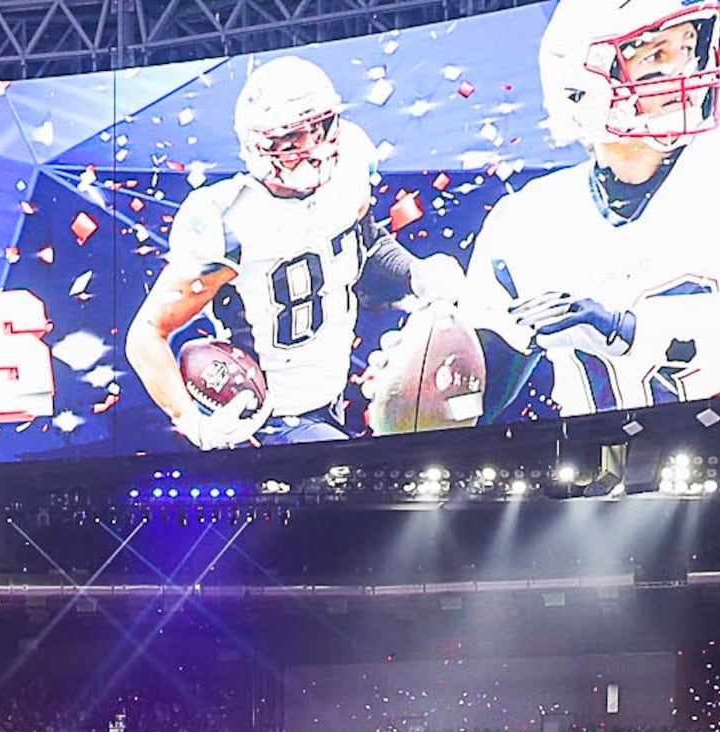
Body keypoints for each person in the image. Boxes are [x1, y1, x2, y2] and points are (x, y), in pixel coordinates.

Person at [460, 0, 720, 414]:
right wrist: (415, 374)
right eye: (656, 56)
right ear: (581, 88)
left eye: (688, 49)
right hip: (608, 472)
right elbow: (470, 400)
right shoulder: (528, 222)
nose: (685, 72)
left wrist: (627, 329)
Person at [127, 55, 472, 448]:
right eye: (291, 139)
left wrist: (416, 272)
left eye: (320, 128)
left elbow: (365, 241)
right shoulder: (229, 218)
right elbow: (148, 334)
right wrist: (192, 421)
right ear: (259, 145)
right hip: (271, 420)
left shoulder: (349, 166)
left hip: (331, 398)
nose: (312, 147)